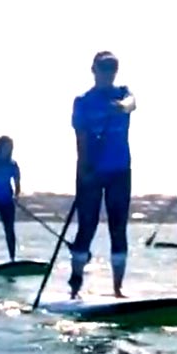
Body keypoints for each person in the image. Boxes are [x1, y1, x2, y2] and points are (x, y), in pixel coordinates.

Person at [68, 51, 136, 298]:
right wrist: (86, 169)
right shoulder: (82, 102)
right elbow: (81, 137)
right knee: (87, 226)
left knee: (118, 227)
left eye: (112, 68)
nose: (108, 73)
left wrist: (121, 107)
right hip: (91, 171)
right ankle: (75, 284)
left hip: (120, 170)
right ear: (94, 70)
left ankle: (118, 288)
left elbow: (132, 103)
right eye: (104, 68)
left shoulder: (123, 93)